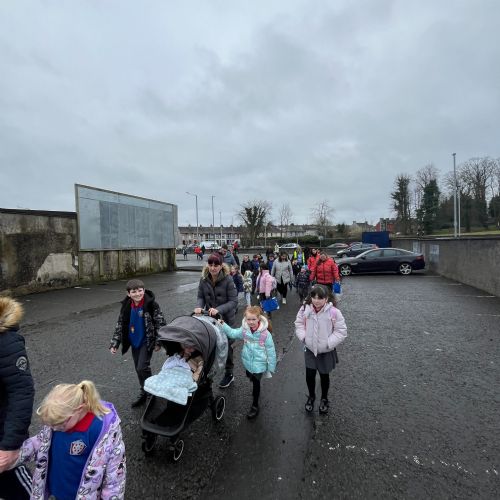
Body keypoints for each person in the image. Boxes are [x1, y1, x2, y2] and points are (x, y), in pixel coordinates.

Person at [13, 380, 126, 499]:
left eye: (60, 424)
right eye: (52, 425)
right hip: (59, 489)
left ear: (79, 409)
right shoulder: (57, 420)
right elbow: (40, 442)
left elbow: (114, 476)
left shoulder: (103, 432)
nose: (54, 428)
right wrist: (15, 454)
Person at [110, 278, 166, 408]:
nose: (137, 294)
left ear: (144, 290)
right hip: (134, 342)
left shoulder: (151, 305)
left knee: (142, 367)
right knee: (138, 368)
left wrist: (159, 342)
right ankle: (144, 390)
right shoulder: (126, 306)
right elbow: (120, 325)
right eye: (134, 292)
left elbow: (161, 323)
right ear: (128, 293)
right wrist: (115, 343)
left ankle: (151, 392)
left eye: (140, 290)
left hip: (147, 341)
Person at [0, 297, 35, 500]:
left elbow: (21, 392)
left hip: (2, 437)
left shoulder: (6, 341)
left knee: (20, 490)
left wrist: (10, 445)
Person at [294, 285, 347, 414]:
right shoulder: (305, 309)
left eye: (320, 298)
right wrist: (304, 338)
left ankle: (324, 398)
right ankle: (311, 396)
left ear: (326, 298)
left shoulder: (334, 312)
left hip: (326, 351)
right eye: (314, 297)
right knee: (310, 375)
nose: (316, 301)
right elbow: (299, 324)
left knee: (324, 376)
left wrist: (328, 343)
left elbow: (341, 331)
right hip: (310, 349)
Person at [219, 306, 276, 419]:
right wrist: (222, 323)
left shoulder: (265, 334)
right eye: (248, 319)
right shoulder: (244, 330)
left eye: (253, 319)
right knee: (251, 377)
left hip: (259, 364)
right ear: (245, 319)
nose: (251, 322)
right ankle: (254, 387)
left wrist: (271, 367)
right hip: (248, 361)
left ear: (259, 318)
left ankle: (255, 405)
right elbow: (232, 333)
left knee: (256, 383)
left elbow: (271, 351)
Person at [194, 253, 238, 388]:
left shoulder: (228, 280)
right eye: (210, 264)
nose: (213, 268)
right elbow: (200, 296)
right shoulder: (203, 279)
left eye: (216, 265)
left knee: (226, 345)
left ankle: (229, 373)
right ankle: (208, 371)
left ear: (221, 266)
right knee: (211, 344)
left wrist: (218, 309)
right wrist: (199, 306)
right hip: (210, 318)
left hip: (225, 319)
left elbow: (233, 301)